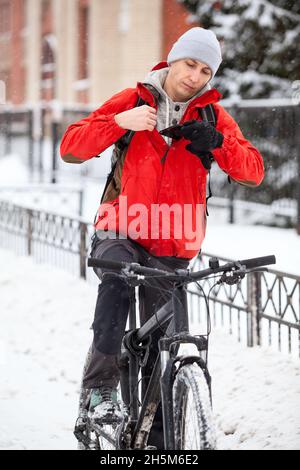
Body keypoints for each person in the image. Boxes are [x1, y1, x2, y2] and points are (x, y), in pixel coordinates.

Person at [60, 27, 264, 448]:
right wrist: (118, 123)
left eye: (205, 70)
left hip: (173, 247)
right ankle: (99, 391)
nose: (195, 76)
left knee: (160, 344)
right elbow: (71, 147)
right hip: (120, 228)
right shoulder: (133, 100)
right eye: (190, 64)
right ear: (173, 60)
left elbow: (252, 171)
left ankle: (155, 438)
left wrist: (219, 143)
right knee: (115, 286)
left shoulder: (212, 117)